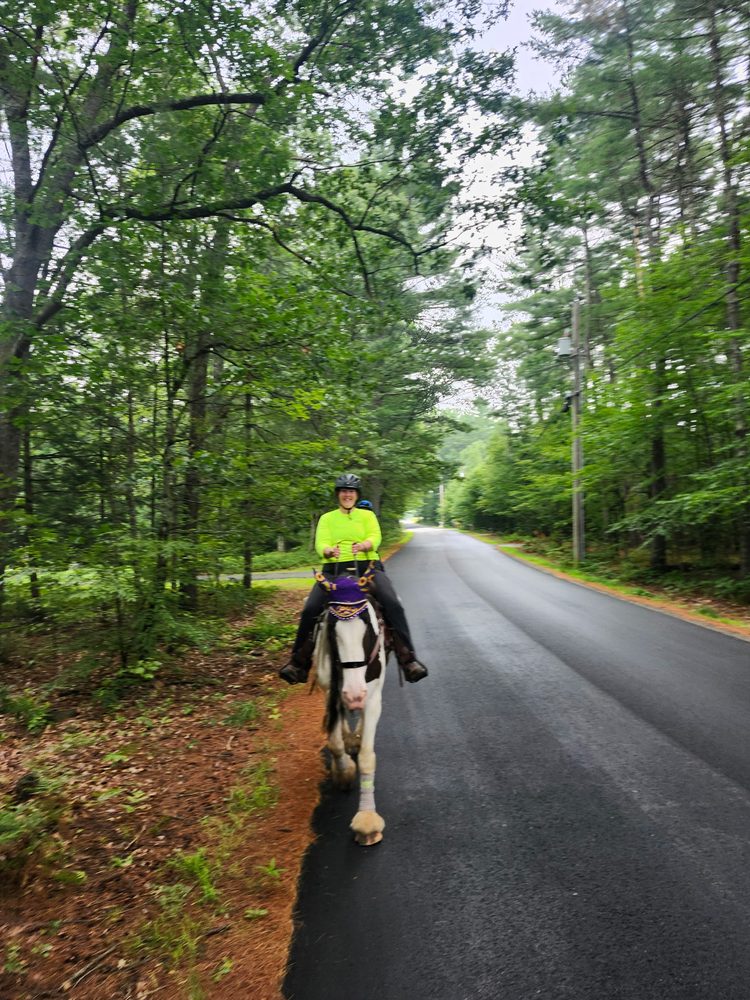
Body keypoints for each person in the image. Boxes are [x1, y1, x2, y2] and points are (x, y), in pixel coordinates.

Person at [279, 474, 428, 685]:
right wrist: (329, 550)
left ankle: (408, 659)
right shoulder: (327, 518)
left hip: (367, 568)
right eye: (343, 491)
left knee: (392, 602)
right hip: (333, 571)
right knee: (311, 608)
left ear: (356, 495)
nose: (347, 495)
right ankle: (298, 663)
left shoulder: (367, 517)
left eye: (351, 491)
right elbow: (321, 544)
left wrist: (367, 544)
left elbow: (376, 536)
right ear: (338, 495)